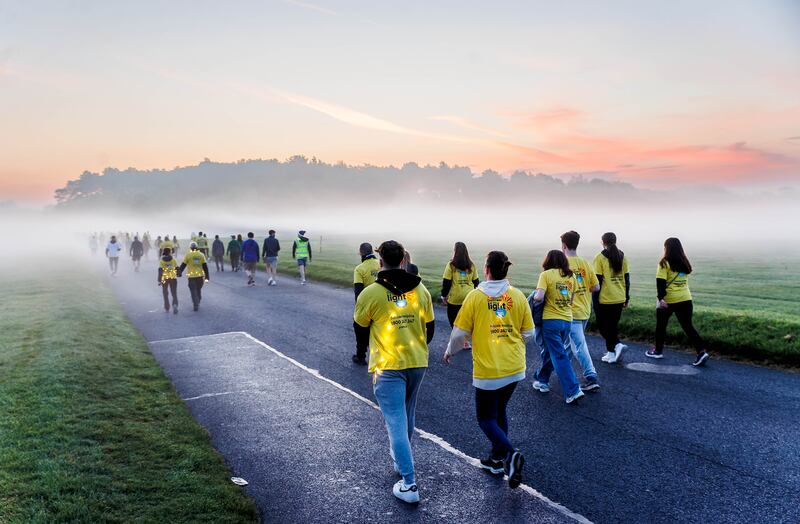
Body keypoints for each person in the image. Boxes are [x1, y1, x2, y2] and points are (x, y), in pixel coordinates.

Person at [353, 240, 435, 504]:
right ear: (403, 260)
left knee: (395, 423)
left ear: (380, 262)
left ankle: (410, 484)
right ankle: (402, 464)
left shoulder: (371, 293)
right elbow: (429, 328)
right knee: (407, 414)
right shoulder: (420, 289)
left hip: (388, 365)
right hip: (417, 361)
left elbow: (360, 327)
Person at [443, 251, 531, 488]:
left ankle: (511, 455)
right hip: (514, 366)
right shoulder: (518, 296)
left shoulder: (475, 297)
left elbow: (460, 333)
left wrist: (450, 351)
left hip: (489, 368)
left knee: (485, 418)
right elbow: (529, 333)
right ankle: (495, 459)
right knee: (499, 410)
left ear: (486, 270)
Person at [531, 250, 584, 404]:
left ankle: (573, 390)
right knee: (551, 352)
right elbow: (572, 300)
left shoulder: (546, 275)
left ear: (548, 261)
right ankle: (542, 380)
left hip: (551, 321)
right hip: (567, 320)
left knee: (559, 355)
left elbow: (539, 297)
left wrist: (533, 296)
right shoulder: (571, 276)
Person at [646, 238, 709, 366]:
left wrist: (660, 298)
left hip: (668, 300)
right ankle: (701, 351)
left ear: (666, 248)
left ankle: (658, 351)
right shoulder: (684, 262)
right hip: (686, 298)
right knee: (688, 326)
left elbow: (660, 283)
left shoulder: (664, 263)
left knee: (661, 326)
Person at [559, 231, 601, 390]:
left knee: (579, 345)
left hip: (571, 312)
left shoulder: (563, 264)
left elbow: (561, 288)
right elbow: (596, 287)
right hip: (584, 309)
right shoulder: (585, 263)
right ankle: (565, 373)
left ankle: (591, 377)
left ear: (563, 246)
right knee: (569, 345)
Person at [593, 232, 630, 364]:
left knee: (604, 328)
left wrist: (595, 301)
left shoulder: (599, 257)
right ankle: (610, 353)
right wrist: (627, 297)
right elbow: (627, 278)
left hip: (605, 299)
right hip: (619, 297)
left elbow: (598, 281)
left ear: (603, 242)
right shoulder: (623, 256)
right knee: (612, 327)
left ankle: (617, 345)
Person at [351, 242, 381, 365]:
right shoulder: (381, 264)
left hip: (367, 304)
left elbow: (358, 291)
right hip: (382, 303)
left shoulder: (359, 269)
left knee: (359, 328)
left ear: (361, 252)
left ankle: (361, 356)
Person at [441, 242, 480, 328]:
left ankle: (461, 340)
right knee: (468, 325)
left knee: (454, 325)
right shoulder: (471, 265)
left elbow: (446, 283)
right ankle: (466, 340)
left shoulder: (451, 265)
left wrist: (443, 296)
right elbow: (476, 283)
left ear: (455, 251)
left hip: (455, 299)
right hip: (469, 297)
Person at [178, 242, 210, 311]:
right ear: (197, 247)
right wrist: (207, 276)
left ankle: (195, 303)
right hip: (200, 276)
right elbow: (205, 267)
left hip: (191, 277)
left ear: (190, 248)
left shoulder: (188, 255)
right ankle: (198, 300)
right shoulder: (201, 255)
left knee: (193, 291)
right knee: (198, 289)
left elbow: (183, 265)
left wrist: (179, 272)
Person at [158, 247, 179, 314]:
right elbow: (177, 268)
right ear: (170, 252)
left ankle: (167, 307)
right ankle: (175, 304)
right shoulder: (173, 260)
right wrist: (179, 274)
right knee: (174, 293)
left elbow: (160, 270)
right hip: (173, 278)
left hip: (165, 278)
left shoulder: (162, 261)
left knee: (165, 293)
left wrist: (159, 280)